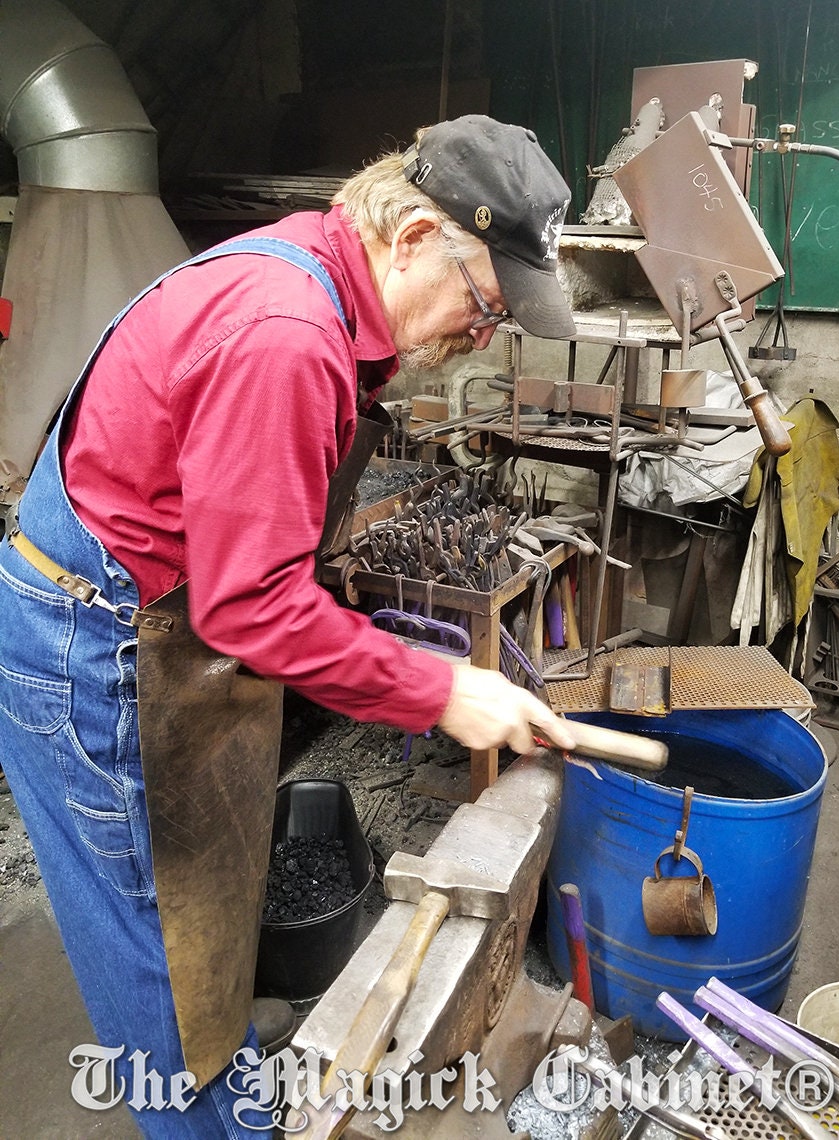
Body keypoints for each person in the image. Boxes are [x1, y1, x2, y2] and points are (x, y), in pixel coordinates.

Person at [0, 114, 578, 1137]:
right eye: (485, 306)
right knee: (160, 960)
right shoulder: (287, 333)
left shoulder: (319, 268)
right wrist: (443, 688)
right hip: (93, 643)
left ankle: (219, 1050)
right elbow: (252, 607)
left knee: (198, 908)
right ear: (412, 239)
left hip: (148, 609)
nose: (480, 337)